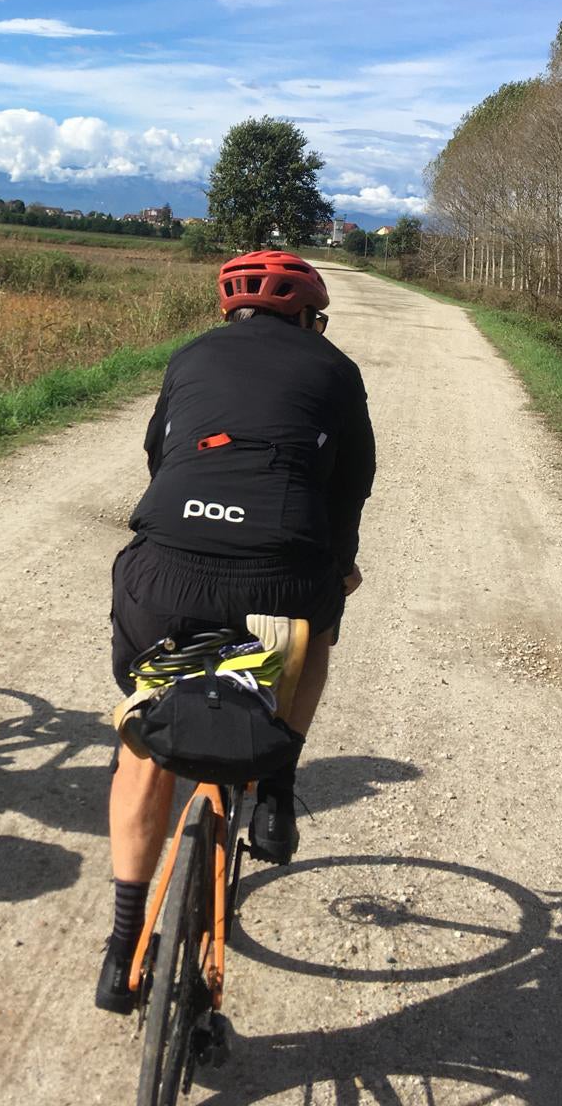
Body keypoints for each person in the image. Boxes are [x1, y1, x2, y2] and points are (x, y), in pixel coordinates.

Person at [96, 249, 375, 1013]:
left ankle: (123, 946)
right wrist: (339, 568)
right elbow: (351, 485)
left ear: (232, 311)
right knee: (316, 625)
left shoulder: (189, 356)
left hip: (164, 575)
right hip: (277, 581)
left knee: (146, 748)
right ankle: (278, 785)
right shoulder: (334, 368)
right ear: (309, 315)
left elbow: (159, 454)